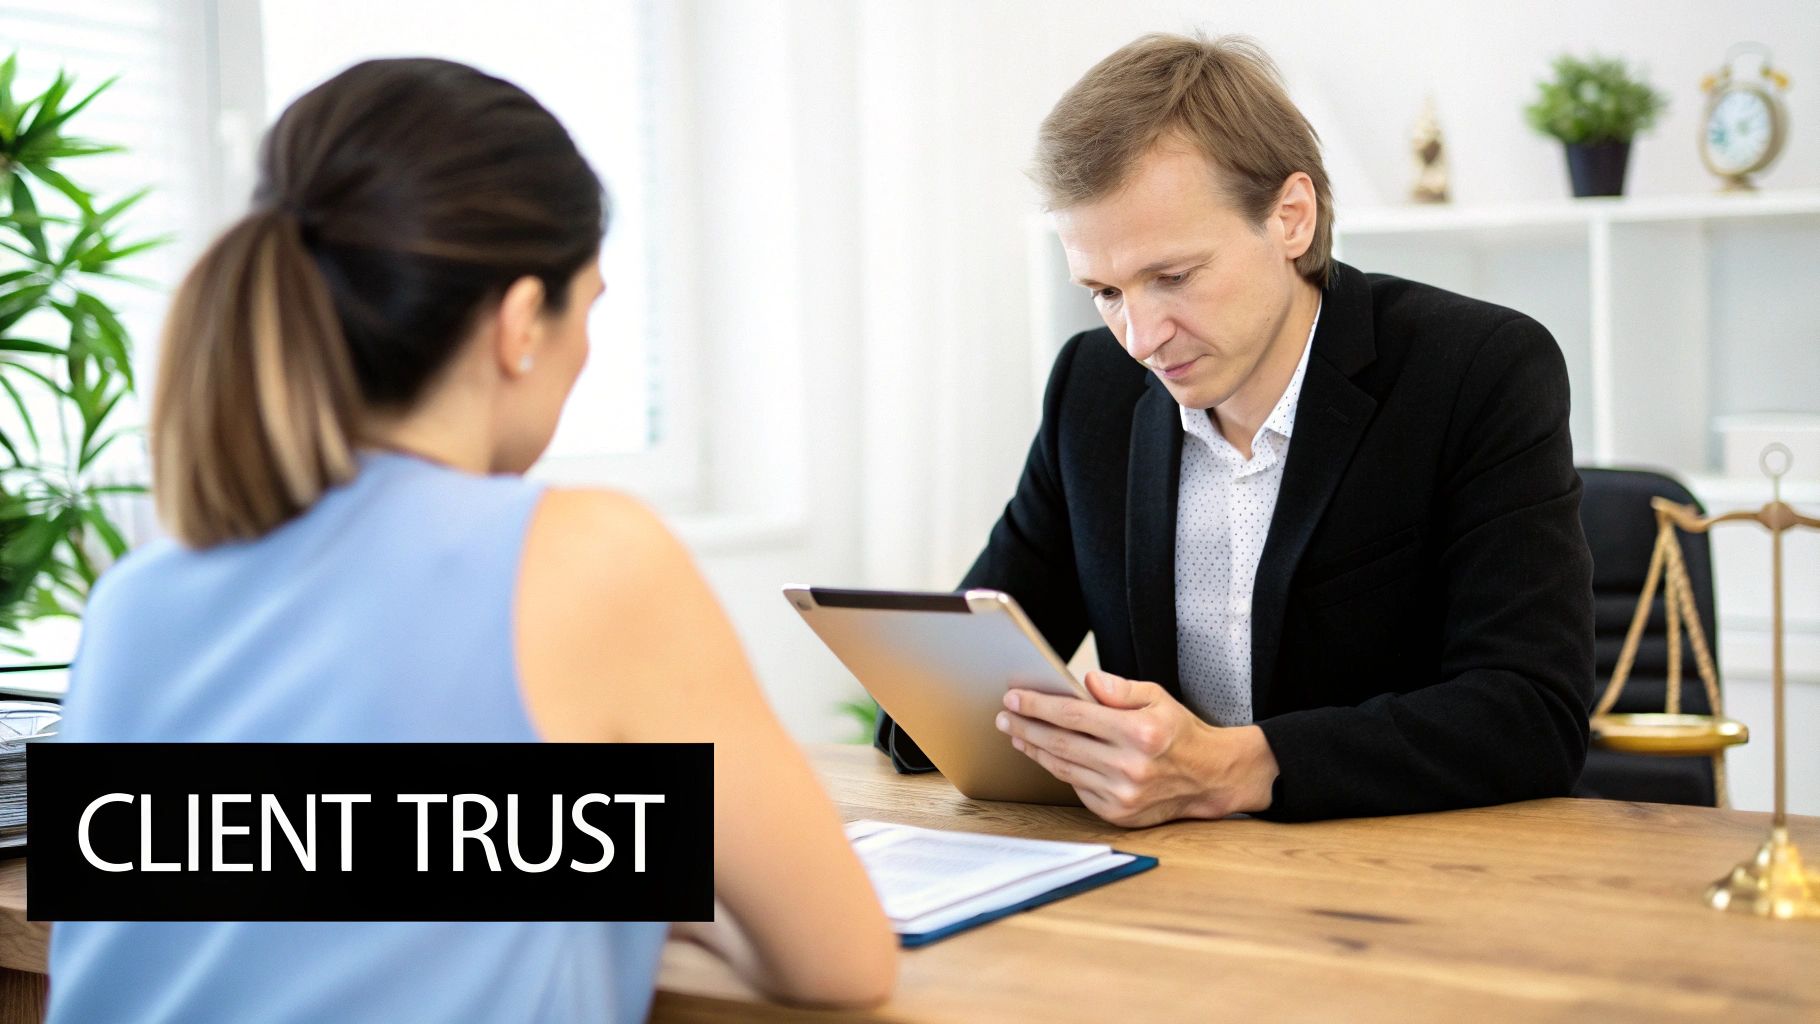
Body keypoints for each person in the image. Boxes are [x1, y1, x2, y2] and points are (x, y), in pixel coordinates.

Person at [50, 58, 895, 1022]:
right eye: (591, 307)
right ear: (521, 322)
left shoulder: (134, 597)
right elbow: (842, 959)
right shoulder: (581, 555)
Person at [877, 33, 1595, 827]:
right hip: (1171, 886)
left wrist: (1241, 768)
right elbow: (946, 688)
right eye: (1106, 292)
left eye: (1173, 277)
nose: (1142, 338)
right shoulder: (1094, 389)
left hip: (1405, 882)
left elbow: (1532, 715)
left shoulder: (1477, 369)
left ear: (1291, 218)